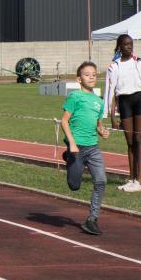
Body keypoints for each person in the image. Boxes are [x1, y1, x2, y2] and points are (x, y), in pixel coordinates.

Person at [104, 34, 141, 193]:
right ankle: (132, 178)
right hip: (124, 102)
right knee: (130, 142)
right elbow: (110, 92)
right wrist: (112, 116)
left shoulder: (140, 63)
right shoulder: (113, 67)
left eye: (131, 44)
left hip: (140, 100)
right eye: (126, 44)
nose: (129, 47)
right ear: (119, 47)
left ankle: (140, 182)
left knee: (139, 138)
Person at [61, 62, 109, 235]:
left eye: (94, 74)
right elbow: (64, 121)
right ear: (79, 79)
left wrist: (102, 131)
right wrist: (72, 143)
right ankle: (68, 156)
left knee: (101, 181)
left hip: (93, 147)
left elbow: (98, 124)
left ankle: (92, 220)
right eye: (87, 74)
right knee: (74, 186)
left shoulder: (99, 101)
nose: (91, 77)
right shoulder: (75, 97)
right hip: (77, 146)